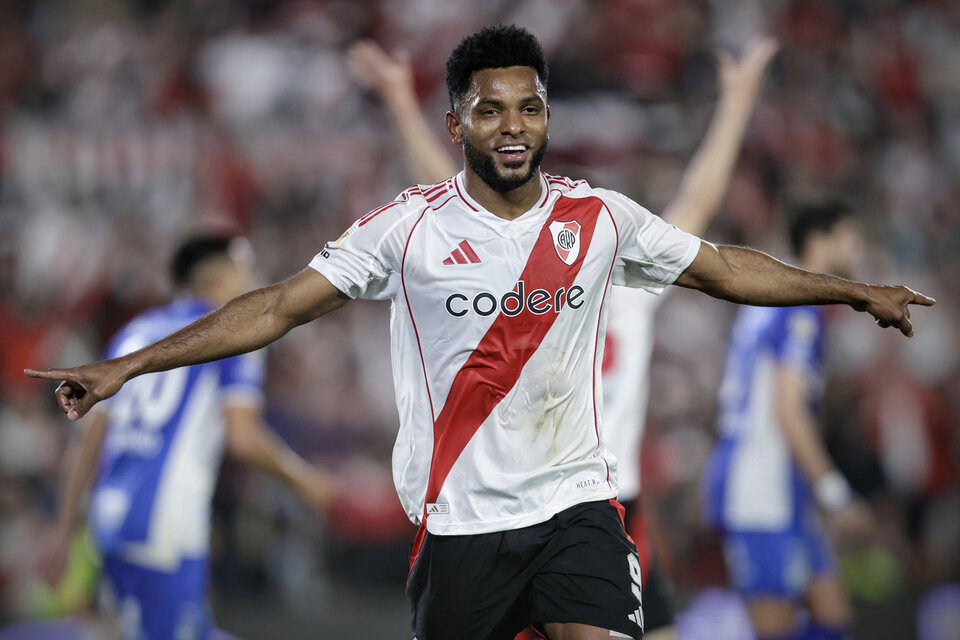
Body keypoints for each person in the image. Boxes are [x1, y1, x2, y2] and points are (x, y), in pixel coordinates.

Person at [27, 26, 932, 640]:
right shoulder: (407, 226)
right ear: (457, 119)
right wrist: (128, 366)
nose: (513, 128)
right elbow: (273, 307)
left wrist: (853, 292)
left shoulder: (599, 218)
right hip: (460, 522)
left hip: (577, 500)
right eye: (491, 110)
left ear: (547, 114)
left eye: (529, 108)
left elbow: (725, 265)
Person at [348, 34, 778, 640]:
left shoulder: (624, 273)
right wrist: (397, 99)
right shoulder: (604, 291)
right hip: (542, 504)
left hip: (598, 503)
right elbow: (450, 196)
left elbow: (696, 207)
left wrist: (735, 105)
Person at [39, 236, 336, 640]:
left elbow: (88, 440)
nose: (254, 280)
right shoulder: (235, 334)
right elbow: (243, 438)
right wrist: (306, 482)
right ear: (219, 278)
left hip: (109, 521)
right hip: (164, 528)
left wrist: (62, 531)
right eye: (245, 269)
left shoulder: (135, 333)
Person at [704, 202, 876, 640]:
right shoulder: (800, 308)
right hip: (759, 489)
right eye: (849, 237)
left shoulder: (772, 296)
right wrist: (835, 494)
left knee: (832, 616)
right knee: (777, 630)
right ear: (819, 244)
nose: (859, 249)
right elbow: (789, 410)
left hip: (781, 488)